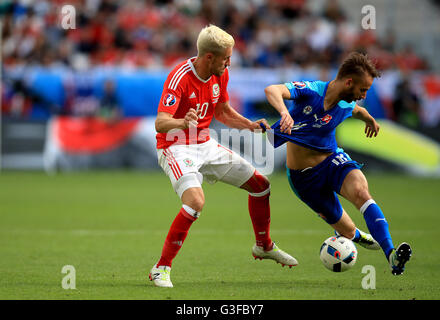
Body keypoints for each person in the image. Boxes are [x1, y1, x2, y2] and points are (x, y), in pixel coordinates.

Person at [149, 25, 298, 288]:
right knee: (195, 202)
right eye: (226, 58)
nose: (229, 62)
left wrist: (249, 125)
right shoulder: (179, 77)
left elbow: (223, 111)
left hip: (205, 144)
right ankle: (161, 268)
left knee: (261, 186)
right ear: (209, 57)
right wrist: (183, 122)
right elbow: (160, 123)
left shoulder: (221, 74)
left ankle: (263, 245)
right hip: (176, 146)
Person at [264, 52, 412, 275]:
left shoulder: (345, 104)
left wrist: (369, 119)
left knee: (362, 192)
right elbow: (272, 90)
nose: (362, 95)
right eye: (362, 90)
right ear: (349, 82)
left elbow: (358, 111)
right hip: (304, 179)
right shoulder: (311, 90)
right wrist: (284, 113)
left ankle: (391, 254)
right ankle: (358, 236)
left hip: (333, 161)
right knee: (348, 231)